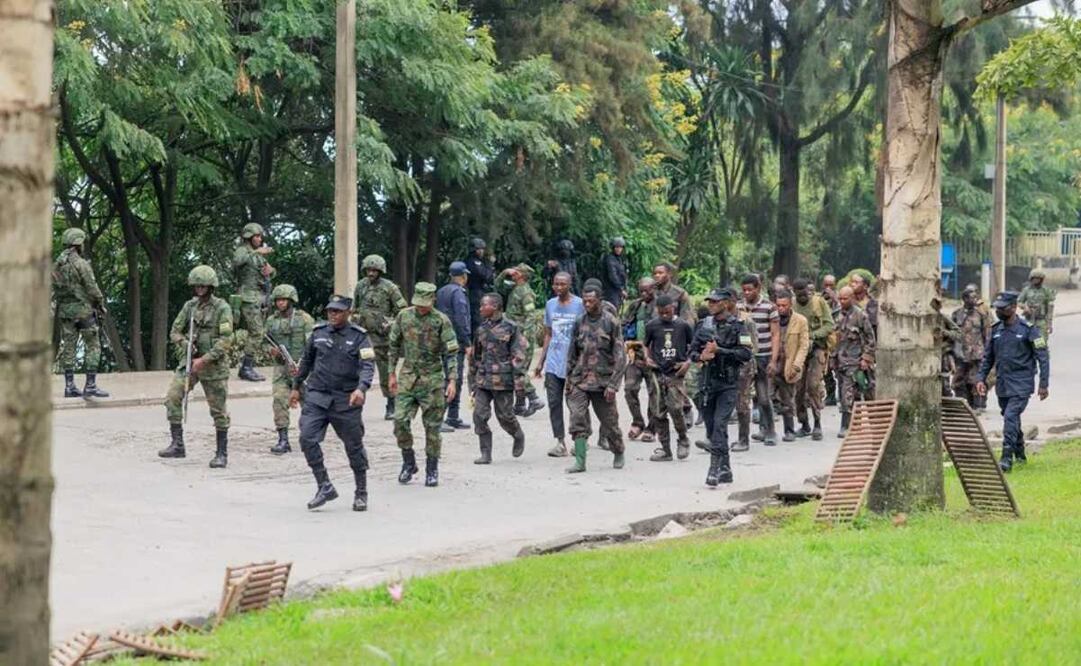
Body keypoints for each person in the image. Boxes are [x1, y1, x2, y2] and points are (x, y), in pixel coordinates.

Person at [290, 295, 375, 511]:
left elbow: (367, 365)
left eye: (337, 311)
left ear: (348, 313)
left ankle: (361, 492)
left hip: (345, 399)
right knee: (307, 438)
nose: (333, 315)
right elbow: (306, 361)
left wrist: (361, 388)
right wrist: (295, 387)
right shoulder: (318, 333)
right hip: (317, 396)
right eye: (330, 311)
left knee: (354, 446)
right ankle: (324, 485)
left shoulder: (359, 337)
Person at [159, 266, 234, 468]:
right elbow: (175, 331)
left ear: (211, 286)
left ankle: (221, 453)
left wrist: (205, 359)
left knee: (218, 410)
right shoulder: (189, 306)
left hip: (213, 366)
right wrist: (185, 343)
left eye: (203, 285)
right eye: (196, 285)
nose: (199, 288)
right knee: (173, 397)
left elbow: (226, 340)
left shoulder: (222, 308)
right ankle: (178, 444)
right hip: (190, 362)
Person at [387, 282, 459, 488]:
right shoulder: (404, 316)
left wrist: (452, 380)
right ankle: (408, 463)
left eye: (425, 304)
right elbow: (393, 345)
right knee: (400, 420)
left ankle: (432, 469)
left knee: (432, 428)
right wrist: (391, 373)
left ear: (433, 301)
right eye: (418, 304)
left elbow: (451, 352)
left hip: (433, 380)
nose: (421, 308)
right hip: (408, 378)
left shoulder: (440, 320)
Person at [977, 291, 1050, 472]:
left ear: (1014, 307)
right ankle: (1020, 453)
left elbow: (1043, 357)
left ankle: (1006, 457)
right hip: (1003, 384)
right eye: (997, 308)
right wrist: (981, 379)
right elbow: (988, 358)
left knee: (1010, 416)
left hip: (1021, 384)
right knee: (1010, 417)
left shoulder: (1029, 330)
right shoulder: (996, 330)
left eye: (1003, 308)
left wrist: (1043, 384)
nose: (999, 312)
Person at [691, 288, 753, 486]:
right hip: (708, 383)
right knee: (712, 427)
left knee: (719, 425)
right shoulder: (703, 325)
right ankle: (726, 469)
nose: (711, 305)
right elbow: (691, 351)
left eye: (715, 302)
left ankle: (714, 468)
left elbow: (745, 354)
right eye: (709, 302)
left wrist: (720, 351)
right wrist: (701, 356)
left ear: (726, 303)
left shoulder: (738, 326)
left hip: (728, 383)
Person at [563, 284, 628, 473]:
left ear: (600, 300)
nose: (587, 304)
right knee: (577, 419)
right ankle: (580, 462)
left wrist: (613, 385)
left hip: (603, 383)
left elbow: (620, 357)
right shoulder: (578, 322)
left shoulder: (611, 323)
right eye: (584, 300)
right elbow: (572, 353)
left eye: (591, 300)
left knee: (610, 424)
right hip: (580, 381)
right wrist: (569, 380)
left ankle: (618, 451)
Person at [469, 293, 528, 464]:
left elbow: (518, 356)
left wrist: (520, 385)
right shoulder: (481, 329)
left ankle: (517, 434)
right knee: (479, 416)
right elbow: (475, 357)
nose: (480, 308)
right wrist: (472, 382)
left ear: (495, 307)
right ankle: (485, 453)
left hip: (503, 381)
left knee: (505, 417)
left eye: (483, 305)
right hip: (483, 381)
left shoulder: (511, 327)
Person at [53, 227, 109, 398]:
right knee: (93, 345)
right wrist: (100, 304)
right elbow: (92, 288)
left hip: (65, 313)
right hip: (83, 312)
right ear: (78, 244)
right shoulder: (81, 264)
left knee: (68, 347)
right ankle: (90, 385)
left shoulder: (56, 266)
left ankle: (69, 387)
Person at [534, 272, 585, 457]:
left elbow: (586, 332)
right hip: (554, 363)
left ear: (570, 285)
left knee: (576, 404)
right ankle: (560, 441)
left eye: (563, 284)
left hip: (573, 362)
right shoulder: (550, 304)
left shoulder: (580, 305)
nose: (559, 287)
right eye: (556, 284)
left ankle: (580, 440)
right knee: (554, 402)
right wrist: (541, 361)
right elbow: (549, 333)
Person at [352, 254, 408, 421]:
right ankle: (355, 403)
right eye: (368, 270)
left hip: (382, 338)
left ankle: (391, 404)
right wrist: (355, 319)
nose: (371, 273)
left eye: (374, 270)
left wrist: (389, 323)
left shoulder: (390, 288)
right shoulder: (360, 286)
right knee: (358, 371)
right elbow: (355, 306)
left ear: (380, 271)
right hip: (363, 336)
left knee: (385, 372)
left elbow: (402, 310)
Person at [264, 284, 315, 455]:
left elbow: (312, 344)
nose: (280, 303)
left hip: (302, 368)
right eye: (278, 300)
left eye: (284, 300)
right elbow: (264, 342)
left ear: (291, 300)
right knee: (279, 400)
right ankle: (283, 439)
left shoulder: (304, 319)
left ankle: (309, 438)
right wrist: (271, 351)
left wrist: (302, 365)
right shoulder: (271, 321)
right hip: (281, 368)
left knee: (308, 404)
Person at [643, 294, 694, 461]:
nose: (664, 315)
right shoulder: (652, 325)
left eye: (667, 311)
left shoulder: (683, 326)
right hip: (657, 372)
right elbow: (645, 344)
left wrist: (687, 363)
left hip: (675, 373)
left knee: (675, 408)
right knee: (658, 412)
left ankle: (683, 439)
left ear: (673, 308)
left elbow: (693, 347)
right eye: (661, 312)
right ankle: (665, 449)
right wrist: (647, 358)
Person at [736, 274, 780, 448]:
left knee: (763, 397)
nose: (747, 293)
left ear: (758, 288)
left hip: (763, 355)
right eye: (744, 290)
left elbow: (776, 335)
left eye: (750, 289)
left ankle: (770, 430)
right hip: (745, 356)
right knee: (742, 398)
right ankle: (744, 436)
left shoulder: (769, 307)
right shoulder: (739, 307)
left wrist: (773, 360)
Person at [831, 286, 876, 438]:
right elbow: (832, 339)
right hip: (840, 361)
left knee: (848, 394)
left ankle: (846, 425)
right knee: (851, 393)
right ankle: (855, 424)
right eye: (840, 298)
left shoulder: (860, 315)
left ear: (852, 298)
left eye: (845, 299)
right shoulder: (836, 315)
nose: (842, 301)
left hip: (855, 362)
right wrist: (831, 358)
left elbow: (871, 339)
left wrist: (866, 358)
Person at [232, 223, 274, 382]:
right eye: (257, 236)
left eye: (260, 236)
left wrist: (271, 271)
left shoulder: (257, 255)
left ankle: (247, 367)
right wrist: (257, 251)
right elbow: (237, 262)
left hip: (258, 296)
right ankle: (246, 368)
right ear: (249, 237)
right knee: (256, 332)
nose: (260, 239)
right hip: (247, 296)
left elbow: (268, 271)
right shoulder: (243, 250)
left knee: (256, 332)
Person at [792, 278, 833, 440]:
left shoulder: (819, 302)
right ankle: (804, 423)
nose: (803, 297)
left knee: (813, 385)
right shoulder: (792, 305)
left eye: (804, 294)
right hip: (798, 352)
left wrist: (813, 336)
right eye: (799, 294)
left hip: (817, 349)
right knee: (798, 389)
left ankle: (817, 423)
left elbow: (830, 325)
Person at [505, 263, 546, 417]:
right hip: (514, 335)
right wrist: (504, 272)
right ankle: (520, 405)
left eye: (516, 271)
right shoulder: (514, 287)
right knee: (516, 369)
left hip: (522, 337)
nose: (513, 272)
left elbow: (530, 317)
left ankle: (534, 398)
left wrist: (523, 337)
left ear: (521, 275)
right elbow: (498, 285)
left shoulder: (526, 293)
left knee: (518, 370)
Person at [436, 261, 472, 432]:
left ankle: (453, 416)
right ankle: (442, 417)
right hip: (455, 341)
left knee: (452, 376)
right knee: (452, 377)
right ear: (463, 276)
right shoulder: (458, 293)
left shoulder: (442, 290)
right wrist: (467, 342)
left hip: (442, 339)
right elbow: (461, 318)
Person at [622, 277, 659, 442]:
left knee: (654, 393)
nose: (644, 293)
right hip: (635, 355)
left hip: (654, 357)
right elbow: (624, 325)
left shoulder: (661, 306)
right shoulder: (635, 306)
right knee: (629, 389)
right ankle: (638, 422)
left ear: (654, 289)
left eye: (647, 290)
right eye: (641, 290)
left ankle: (652, 427)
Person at [774, 290, 810, 442]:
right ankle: (767, 429)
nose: (781, 308)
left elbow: (804, 345)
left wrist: (797, 365)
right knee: (767, 397)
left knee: (789, 399)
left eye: (784, 305)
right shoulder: (773, 319)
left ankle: (791, 429)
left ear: (790, 304)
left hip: (790, 364)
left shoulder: (800, 320)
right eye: (778, 305)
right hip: (774, 363)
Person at [951, 285, 992, 409]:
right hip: (960, 353)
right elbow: (952, 333)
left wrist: (988, 351)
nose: (975, 300)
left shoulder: (981, 314)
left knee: (976, 379)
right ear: (964, 299)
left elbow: (987, 334)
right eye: (971, 297)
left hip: (976, 353)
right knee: (959, 380)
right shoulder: (956, 314)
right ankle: (963, 404)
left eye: (976, 297)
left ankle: (978, 403)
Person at [848, 271, 878, 399]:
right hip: (850, 353)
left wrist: (868, 356)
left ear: (865, 286)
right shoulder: (847, 303)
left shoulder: (874, 304)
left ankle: (873, 417)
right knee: (853, 390)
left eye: (856, 282)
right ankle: (856, 418)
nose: (852, 285)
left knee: (869, 387)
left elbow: (874, 332)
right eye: (851, 282)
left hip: (869, 351)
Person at [1018, 268, 1056, 346]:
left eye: (1038, 278)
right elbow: (1019, 302)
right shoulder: (1026, 290)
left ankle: (1041, 357)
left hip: (1041, 321)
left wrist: (1049, 324)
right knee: (1027, 343)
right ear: (1031, 278)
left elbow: (1050, 308)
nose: (1036, 280)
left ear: (1041, 279)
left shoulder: (1046, 291)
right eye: (1034, 278)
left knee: (1040, 344)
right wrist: (1025, 307)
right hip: (1029, 320)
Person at [464, 237, 495, 330]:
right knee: (478, 318)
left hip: (478, 291)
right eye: (479, 249)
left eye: (482, 249)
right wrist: (490, 264)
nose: (481, 251)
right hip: (476, 292)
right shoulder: (474, 262)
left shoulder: (475, 261)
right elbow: (486, 276)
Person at [603, 236, 629, 310]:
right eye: (616, 247)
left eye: (620, 247)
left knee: (618, 309)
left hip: (617, 289)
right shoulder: (610, 259)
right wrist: (621, 289)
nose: (618, 249)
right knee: (613, 309)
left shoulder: (620, 259)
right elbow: (613, 276)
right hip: (611, 289)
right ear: (613, 247)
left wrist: (624, 288)